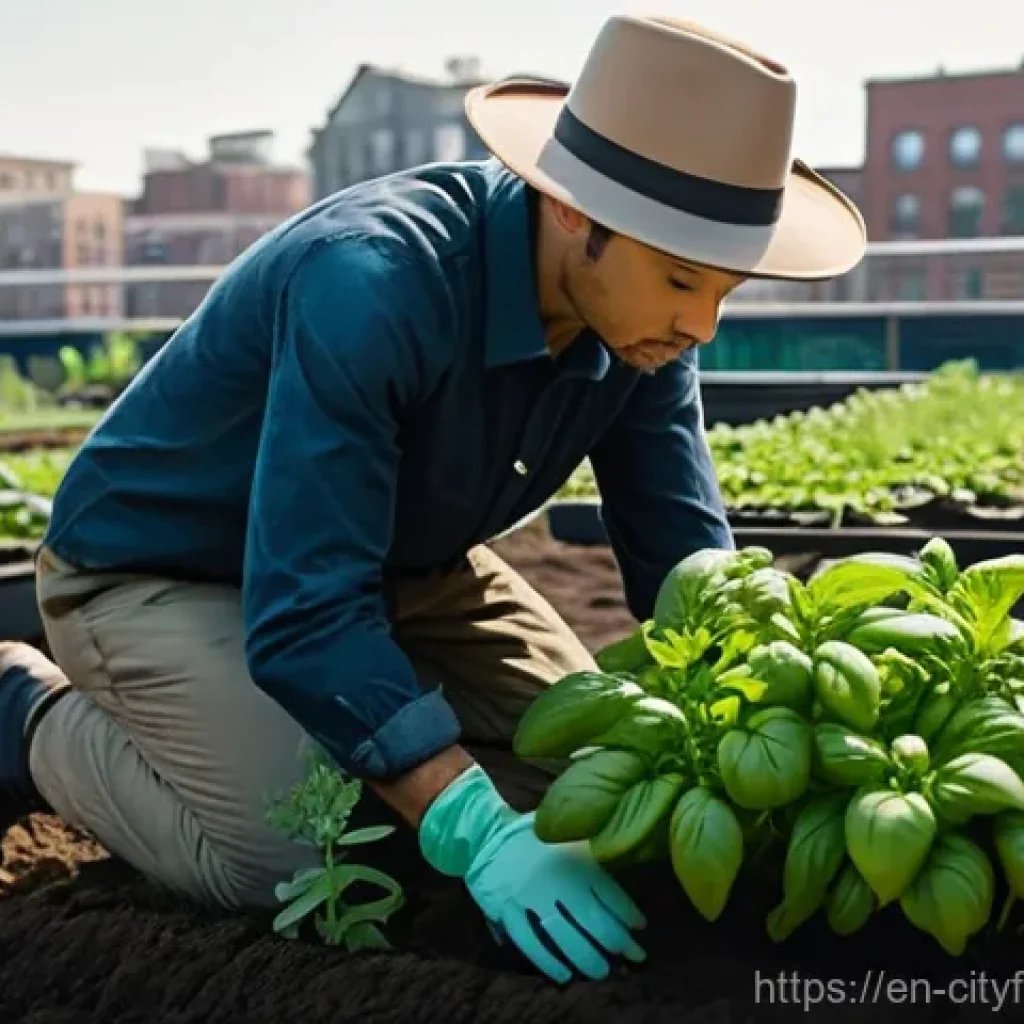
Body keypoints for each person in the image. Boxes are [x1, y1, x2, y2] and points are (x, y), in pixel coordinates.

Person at [0, 15, 865, 984]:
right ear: (572, 208)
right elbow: (305, 612)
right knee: (308, 855)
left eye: (724, 291)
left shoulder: (645, 328)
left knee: (608, 771)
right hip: (161, 572)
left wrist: (783, 712)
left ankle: (364, 728)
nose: (700, 323)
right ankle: (27, 715)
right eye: (680, 279)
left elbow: (679, 551)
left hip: (403, 565)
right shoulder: (369, 283)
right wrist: (472, 825)